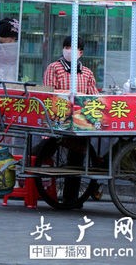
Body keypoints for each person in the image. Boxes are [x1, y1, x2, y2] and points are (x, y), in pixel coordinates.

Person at [41, 35, 98, 206]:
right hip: (59, 118)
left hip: (80, 122)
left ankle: (71, 197)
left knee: (77, 157)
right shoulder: (54, 68)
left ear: (81, 52)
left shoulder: (87, 72)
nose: (69, 50)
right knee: (51, 144)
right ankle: (35, 158)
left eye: (73, 48)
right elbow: (49, 93)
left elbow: (93, 95)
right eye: (67, 47)